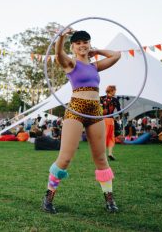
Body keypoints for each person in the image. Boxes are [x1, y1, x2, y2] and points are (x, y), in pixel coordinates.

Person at [42, 29, 121, 214]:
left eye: (85, 42)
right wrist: (61, 36)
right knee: (65, 158)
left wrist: (97, 51)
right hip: (76, 108)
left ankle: (109, 199)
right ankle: (48, 197)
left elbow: (116, 55)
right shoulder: (71, 63)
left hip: (95, 110)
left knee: (101, 158)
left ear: (89, 43)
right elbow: (58, 53)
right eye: (78, 43)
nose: (82, 45)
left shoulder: (94, 67)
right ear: (73, 47)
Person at [100, 85, 121, 161]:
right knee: (110, 137)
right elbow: (119, 110)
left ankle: (107, 154)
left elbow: (98, 110)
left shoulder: (101, 98)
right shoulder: (115, 100)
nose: (115, 92)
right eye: (115, 90)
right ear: (111, 91)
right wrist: (120, 116)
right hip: (110, 121)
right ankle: (109, 153)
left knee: (104, 137)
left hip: (103, 120)